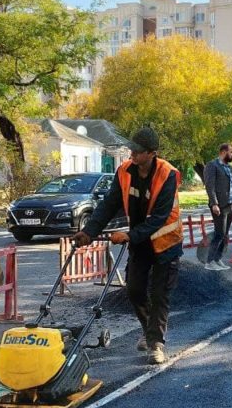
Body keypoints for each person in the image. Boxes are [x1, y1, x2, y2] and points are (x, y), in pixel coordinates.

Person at [74, 126, 183, 365]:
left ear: (152, 153)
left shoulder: (168, 174)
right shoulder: (124, 171)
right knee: (134, 290)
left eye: (137, 151)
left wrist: (129, 236)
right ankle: (149, 331)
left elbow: (159, 217)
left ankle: (156, 344)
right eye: (131, 149)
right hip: (141, 244)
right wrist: (89, 232)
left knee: (159, 294)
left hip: (166, 243)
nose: (132, 154)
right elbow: (109, 204)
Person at [203, 143, 232, 271]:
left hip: (230, 205)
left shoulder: (228, 167)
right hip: (220, 206)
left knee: (225, 235)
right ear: (223, 152)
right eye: (231, 152)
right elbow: (209, 186)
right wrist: (214, 203)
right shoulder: (213, 165)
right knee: (219, 233)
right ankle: (209, 261)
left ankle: (217, 259)